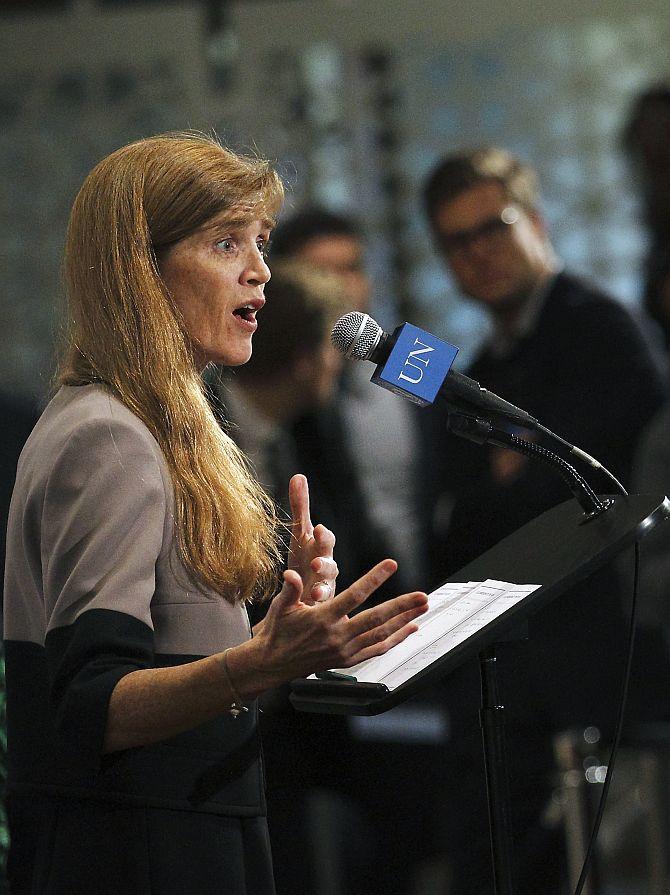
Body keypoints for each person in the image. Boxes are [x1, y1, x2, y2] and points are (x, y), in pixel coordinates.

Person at [2, 131, 429, 895]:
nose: (262, 270)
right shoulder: (109, 435)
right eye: (226, 241)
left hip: (181, 826)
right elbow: (91, 702)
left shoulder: (151, 425)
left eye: (260, 241)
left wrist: (277, 630)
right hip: (140, 849)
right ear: (141, 269)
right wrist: (263, 660)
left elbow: (177, 659)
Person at [420, 147, 667, 894]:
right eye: (455, 242)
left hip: (600, 659)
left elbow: (582, 498)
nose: (477, 253)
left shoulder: (597, 327)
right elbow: (452, 521)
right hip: (518, 663)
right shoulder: (473, 364)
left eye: (491, 227)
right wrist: (500, 487)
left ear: (536, 219)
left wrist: (500, 489)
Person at [270, 209, 427, 592]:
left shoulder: (411, 353)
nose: (344, 287)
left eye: (353, 268)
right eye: (322, 273)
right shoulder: (281, 388)